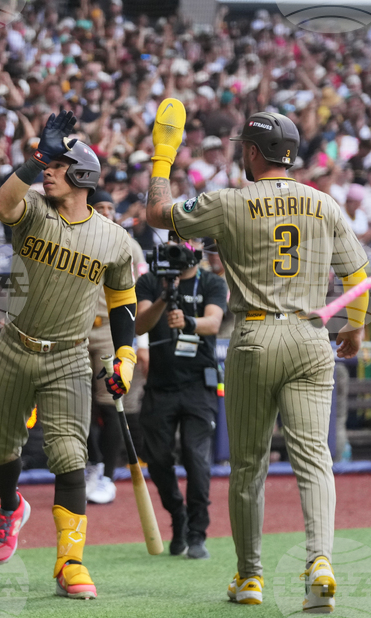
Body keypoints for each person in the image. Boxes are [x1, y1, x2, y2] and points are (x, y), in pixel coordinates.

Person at [144, 102, 369, 612]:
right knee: (314, 457)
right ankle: (320, 562)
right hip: (313, 337)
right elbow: (358, 278)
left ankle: (250, 577)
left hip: (255, 335)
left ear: (250, 151)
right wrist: (353, 330)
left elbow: (157, 215)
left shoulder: (229, 201)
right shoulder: (325, 203)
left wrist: (163, 155)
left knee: (248, 466)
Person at [0, 111, 138, 600]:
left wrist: (126, 356)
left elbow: (122, 302)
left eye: (57, 164)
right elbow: (2, 204)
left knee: (71, 458)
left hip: (69, 357)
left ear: (83, 176)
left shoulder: (113, 239)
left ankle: (70, 563)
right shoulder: (32, 208)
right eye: (46, 163)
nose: (48, 170)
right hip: (14, 346)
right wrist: (34, 160)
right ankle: (11, 507)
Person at [134, 233, 227, 559]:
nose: (183, 247)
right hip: (160, 385)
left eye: (189, 241)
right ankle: (177, 514)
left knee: (196, 456)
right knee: (157, 459)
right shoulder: (149, 281)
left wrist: (189, 321)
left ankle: (197, 531)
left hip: (198, 386)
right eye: (176, 239)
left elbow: (214, 322)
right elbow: (140, 326)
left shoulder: (212, 283)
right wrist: (164, 297)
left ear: (200, 247)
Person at [85, 189, 149, 506]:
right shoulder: (76, 236)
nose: (107, 212)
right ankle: (93, 462)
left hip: (111, 331)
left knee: (112, 404)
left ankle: (107, 473)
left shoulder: (129, 244)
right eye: (100, 207)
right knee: (77, 404)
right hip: (76, 330)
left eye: (111, 207)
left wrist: (143, 341)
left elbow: (142, 296)